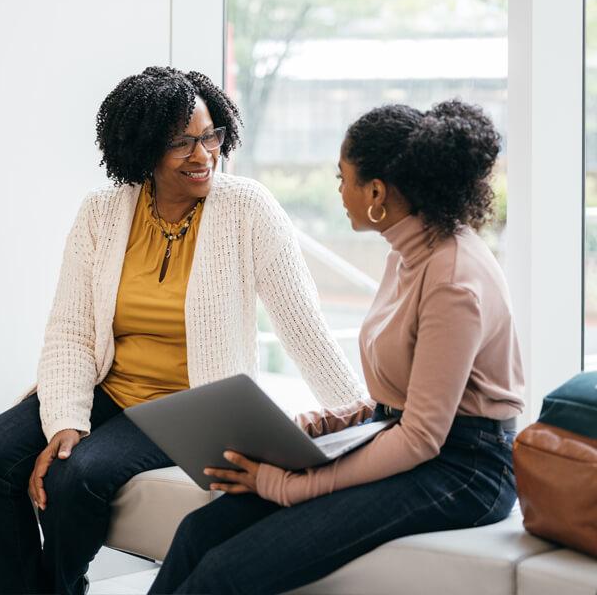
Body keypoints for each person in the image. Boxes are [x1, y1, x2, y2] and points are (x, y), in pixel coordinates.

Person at [0, 66, 366, 595]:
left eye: (211, 135)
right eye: (182, 143)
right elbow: (71, 331)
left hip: (186, 404)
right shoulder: (102, 213)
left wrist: (360, 416)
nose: (204, 154)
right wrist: (66, 420)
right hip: (109, 387)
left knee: (75, 476)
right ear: (143, 147)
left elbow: (300, 321)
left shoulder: (246, 208)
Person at [148, 100, 525, 595]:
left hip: (467, 469)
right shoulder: (408, 251)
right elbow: (405, 398)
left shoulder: (453, 279)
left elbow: (421, 438)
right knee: (200, 533)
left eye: (342, 178)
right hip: (412, 435)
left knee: (228, 574)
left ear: (376, 192)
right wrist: (321, 428)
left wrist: (289, 485)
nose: (339, 191)